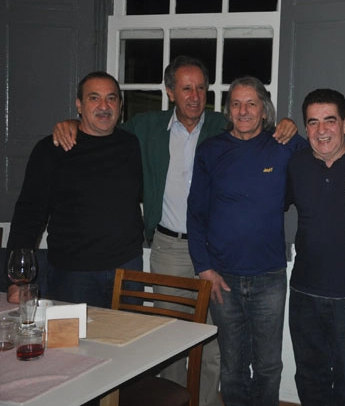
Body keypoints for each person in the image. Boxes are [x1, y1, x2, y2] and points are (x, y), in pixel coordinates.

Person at [51, 56, 297, 406]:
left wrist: (286, 123)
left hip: (213, 252)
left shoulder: (220, 125)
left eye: (200, 87)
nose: (194, 96)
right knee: (169, 341)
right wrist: (69, 124)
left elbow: (259, 128)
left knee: (213, 346)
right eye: (185, 88)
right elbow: (102, 130)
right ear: (170, 92)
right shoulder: (146, 126)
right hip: (168, 247)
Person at [188, 76, 307, 406]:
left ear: (264, 110)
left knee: (269, 365)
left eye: (251, 103)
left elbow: (325, 148)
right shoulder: (211, 151)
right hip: (222, 278)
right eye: (236, 104)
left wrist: (293, 127)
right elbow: (195, 212)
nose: (243, 111)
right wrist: (204, 269)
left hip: (269, 277)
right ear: (228, 110)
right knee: (233, 367)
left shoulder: (283, 146)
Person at [7, 71, 144, 308]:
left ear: (120, 105)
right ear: (79, 105)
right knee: (73, 345)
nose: (104, 106)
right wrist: (16, 278)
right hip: (72, 276)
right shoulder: (52, 149)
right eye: (94, 98)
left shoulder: (132, 144)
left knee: (130, 342)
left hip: (128, 271)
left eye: (111, 98)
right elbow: (29, 213)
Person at [286, 89, 345, 406]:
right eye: (313, 122)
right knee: (309, 375)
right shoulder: (294, 165)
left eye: (329, 121)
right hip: (305, 292)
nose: (321, 131)